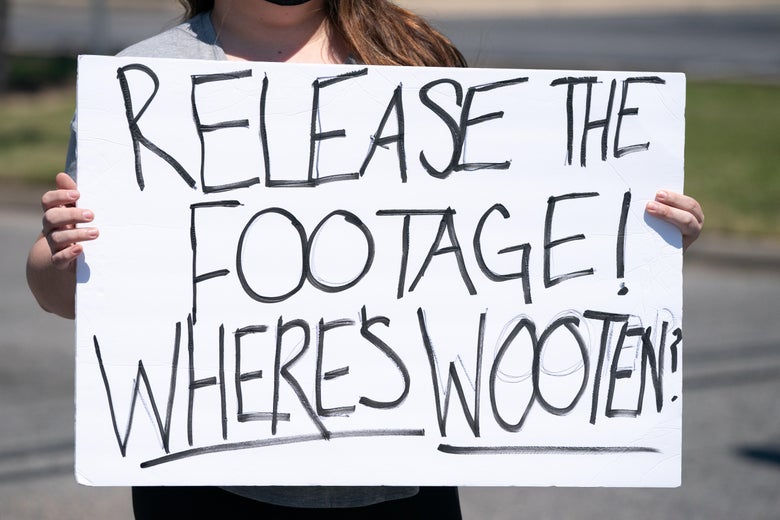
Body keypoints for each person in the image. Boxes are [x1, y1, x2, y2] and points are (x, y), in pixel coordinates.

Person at [26, 0, 704, 518]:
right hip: (204, 482)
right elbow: (64, 290)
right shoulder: (144, 82)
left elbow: (502, 244)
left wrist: (640, 233)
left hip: (400, 483)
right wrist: (60, 263)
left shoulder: (411, 61)